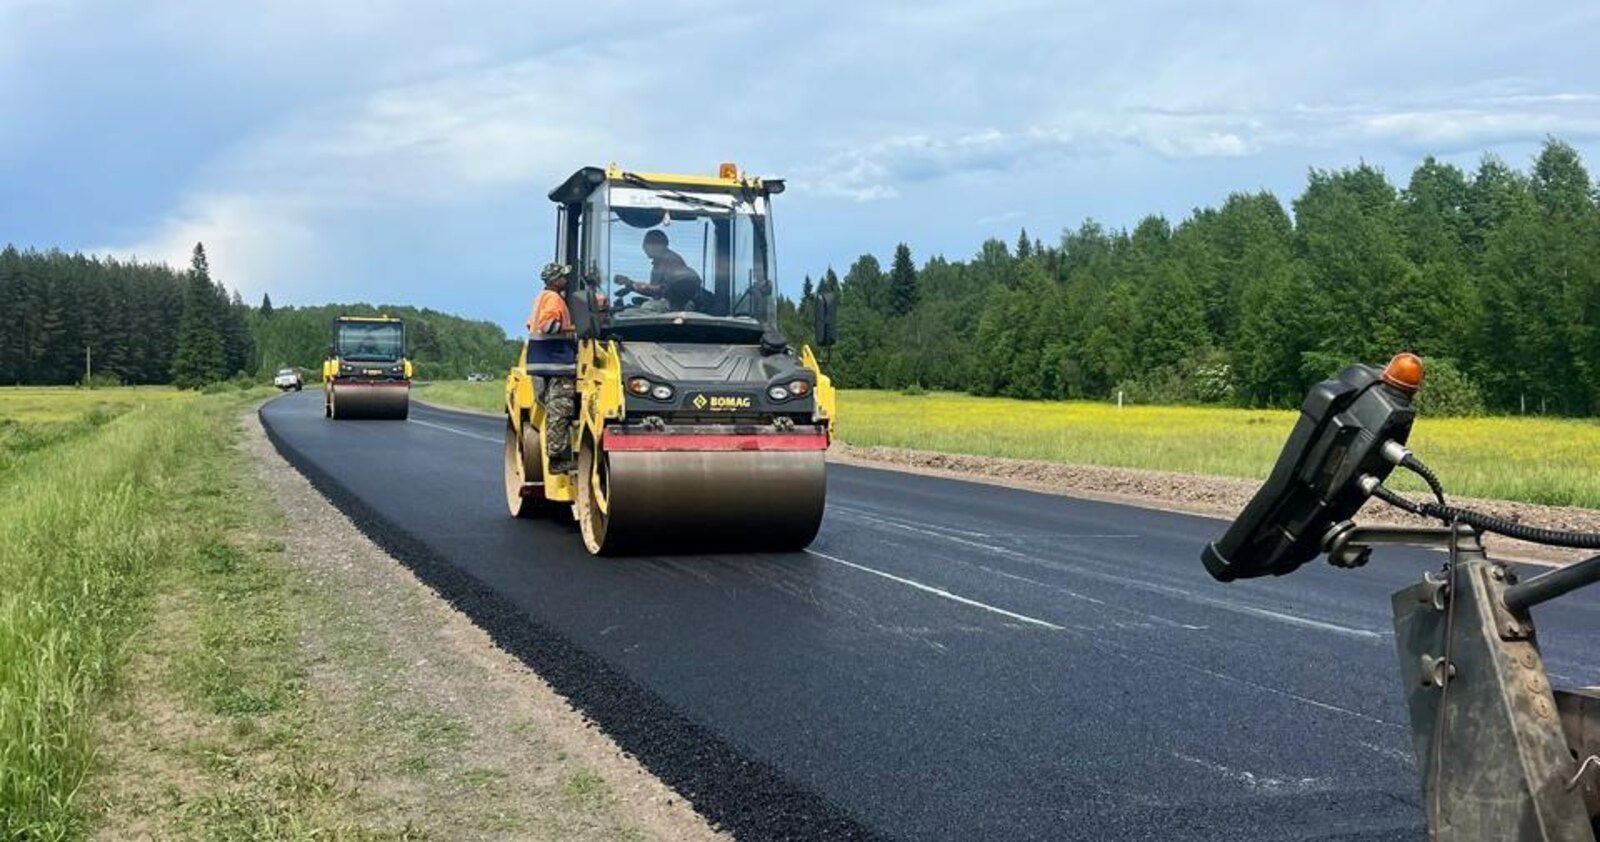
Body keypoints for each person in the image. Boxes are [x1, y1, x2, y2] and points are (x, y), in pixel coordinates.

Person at [526, 263, 577, 474]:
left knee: (553, 408)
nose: (566, 280)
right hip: (555, 362)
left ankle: (557, 453)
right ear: (555, 280)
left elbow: (531, 325)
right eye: (563, 277)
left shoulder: (541, 297)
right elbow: (548, 326)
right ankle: (558, 459)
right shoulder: (554, 299)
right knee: (560, 408)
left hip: (541, 361)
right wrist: (573, 329)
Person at [615, 230, 706, 312]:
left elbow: (666, 290)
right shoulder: (659, 262)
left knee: (641, 310)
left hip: (679, 307)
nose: (644, 248)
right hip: (668, 306)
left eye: (647, 243)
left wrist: (631, 284)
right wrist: (630, 286)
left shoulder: (671, 260)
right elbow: (655, 291)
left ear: (660, 244)